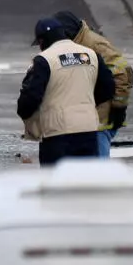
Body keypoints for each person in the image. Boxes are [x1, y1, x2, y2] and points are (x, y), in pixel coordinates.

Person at [18, 19, 116, 165]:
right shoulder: (91, 55)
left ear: (42, 40)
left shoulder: (44, 60)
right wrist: (86, 104)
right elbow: (108, 88)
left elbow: (29, 100)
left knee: (56, 182)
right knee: (85, 180)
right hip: (88, 129)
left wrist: (28, 115)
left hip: (56, 133)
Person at [53, 10, 133, 157]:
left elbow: (122, 72)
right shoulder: (76, 44)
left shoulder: (94, 44)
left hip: (100, 118)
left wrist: (118, 107)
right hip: (85, 117)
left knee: (96, 167)